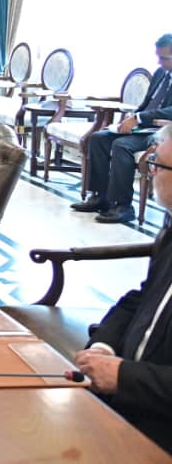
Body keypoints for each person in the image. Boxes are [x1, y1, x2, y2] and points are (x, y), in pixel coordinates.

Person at [75, 123, 172, 454]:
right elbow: (141, 299)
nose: (150, 174)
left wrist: (124, 377)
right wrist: (103, 346)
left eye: (157, 165)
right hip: (127, 401)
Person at [75, 34, 172, 224]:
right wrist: (131, 117)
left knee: (122, 145)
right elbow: (147, 104)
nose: (159, 62)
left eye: (163, 58)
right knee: (98, 138)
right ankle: (100, 196)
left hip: (161, 132)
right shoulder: (161, 74)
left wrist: (138, 118)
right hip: (141, 127)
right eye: (158, 57)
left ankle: (123, 206)